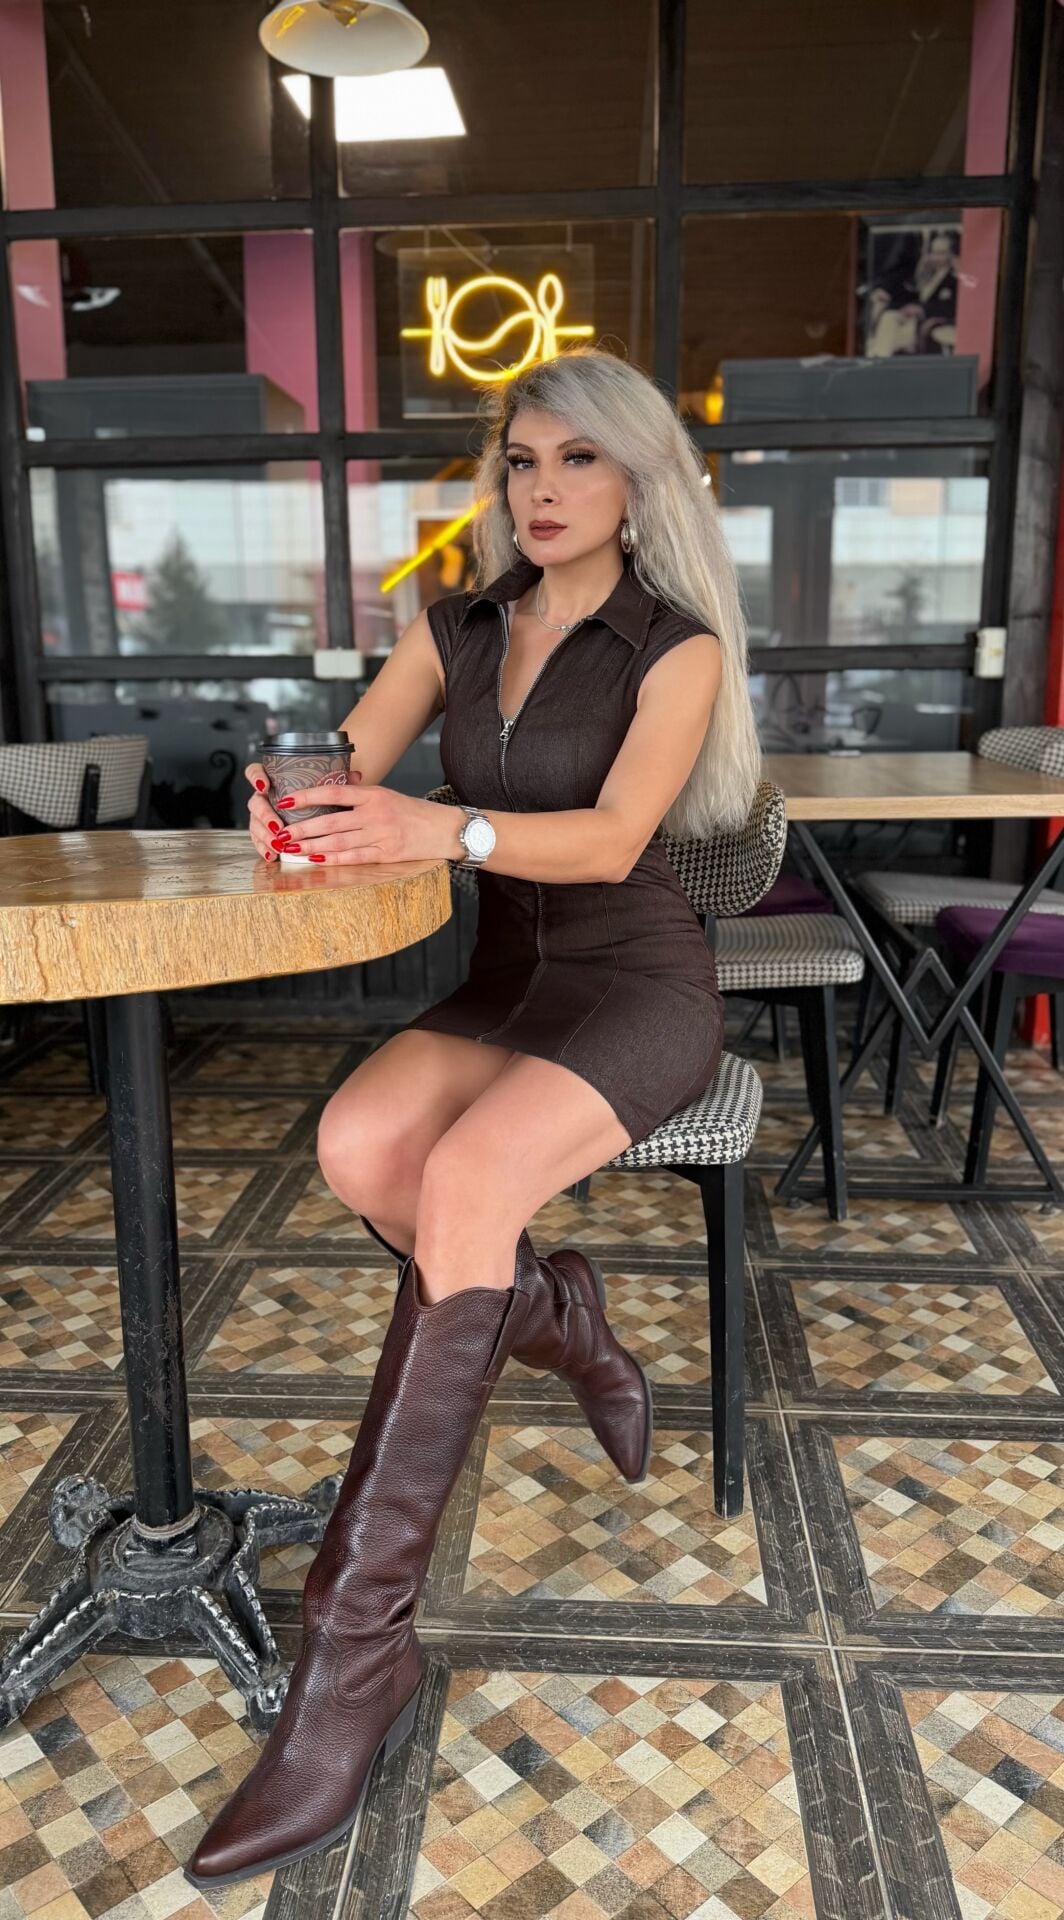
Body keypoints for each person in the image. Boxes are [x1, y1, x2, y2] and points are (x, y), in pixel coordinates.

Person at [184, 344, 760, 1889]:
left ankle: (352, 1654)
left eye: (578, 459)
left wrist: (444, 828)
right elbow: (351, 760)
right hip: (507, 977)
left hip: (637, 982)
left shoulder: (677, 649)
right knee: (357, 1147)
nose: (543, 489)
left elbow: (616, 839)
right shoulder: (458, 623)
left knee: (461, 1184)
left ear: (639, 479)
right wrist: (299, 801)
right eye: (521, 460)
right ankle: (556, 1312)